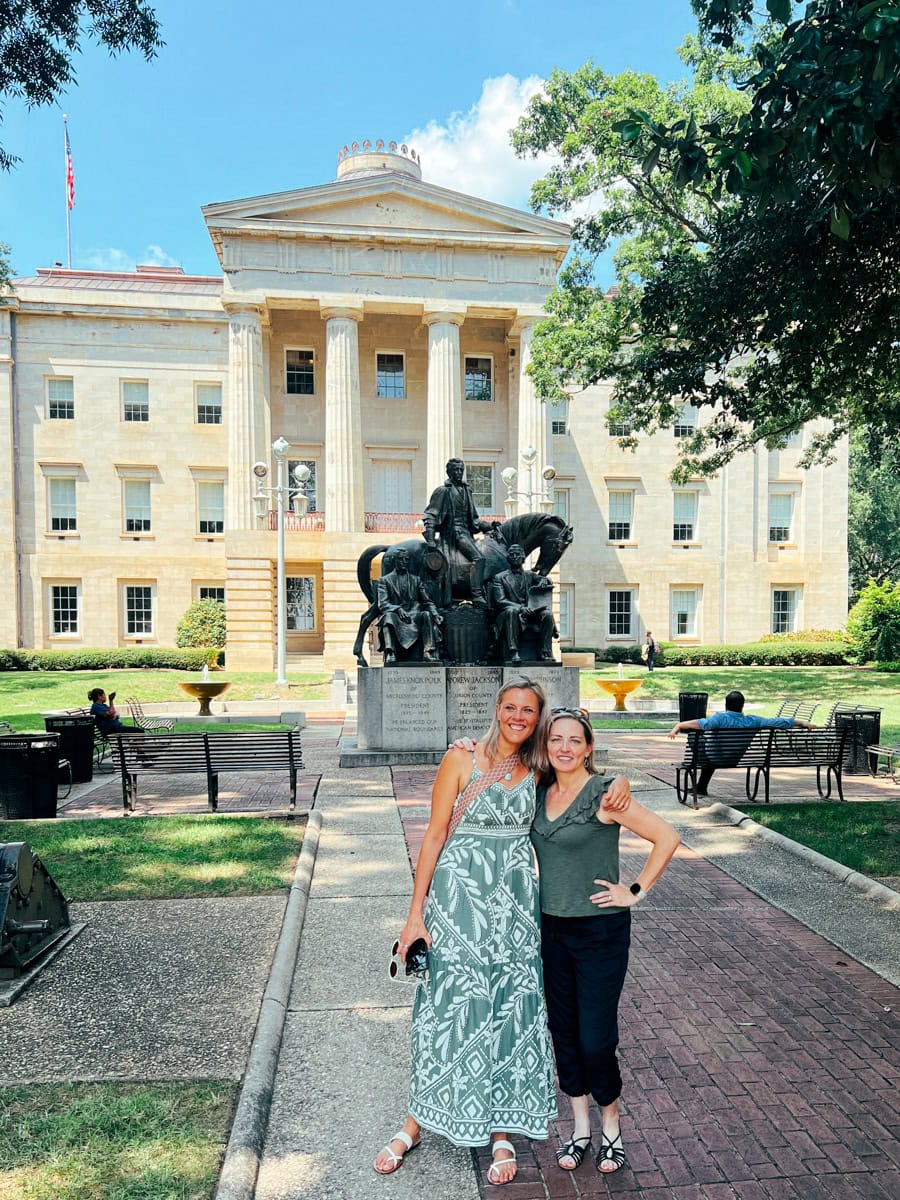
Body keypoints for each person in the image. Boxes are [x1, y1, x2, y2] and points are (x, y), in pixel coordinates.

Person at [374, 678, 631, 1186]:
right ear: (497, 709)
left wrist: (619, 780)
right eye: (510, 707)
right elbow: (434, 834)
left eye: (528, 711)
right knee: (447, 1008)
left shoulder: (536, 767)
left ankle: (501, 1131)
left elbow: (579, 774)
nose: (518, 717)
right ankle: (415, 1122)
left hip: (515, 909)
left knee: (510, 1013)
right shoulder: (461, 760)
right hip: (458, 902)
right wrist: (415, 914)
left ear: (536, 719)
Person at [532, 707, 680, 1175]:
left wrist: (634, 891)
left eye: (574, 740)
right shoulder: (537, 791)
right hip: (551, 930)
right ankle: (579, 1130)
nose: (564, 748)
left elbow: (667, 837)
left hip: (600, 932)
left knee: (596, 1039)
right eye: (556, 739)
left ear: (589, 747)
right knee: (565, 1034)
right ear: (546, 745)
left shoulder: (603, 792)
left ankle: (611, 1128)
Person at [667, 689, 815, 797]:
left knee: (695, 738)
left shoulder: (720, 719)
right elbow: (778, 721)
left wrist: (679, 725)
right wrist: (802, 723)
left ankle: (700, 786)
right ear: (742, 706)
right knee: (710, 750)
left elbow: (701, 724)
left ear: (726, 705)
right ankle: (701, 787)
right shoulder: (753, 720)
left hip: (714, 758)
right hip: (735, 760)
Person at [422, 457, 493, 606]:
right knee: (478, 558)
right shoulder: (443, 491)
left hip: (466, 533)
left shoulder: (467, 490)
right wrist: (430, 538)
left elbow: (474, 519)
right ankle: (477, 595)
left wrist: (488, 526)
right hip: (453, 535)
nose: (459, 472)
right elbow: (431, 514)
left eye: (461, 469)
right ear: (449, 472)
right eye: (456, 469)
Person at [490, 542, 556, 664]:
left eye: (518, 554)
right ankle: (513, 651)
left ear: (523, 558)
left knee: (547, 614)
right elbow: (501, 601)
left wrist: (544, 581)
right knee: (512, 611)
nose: (515, 557)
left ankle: (545, 651)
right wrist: (520, 608)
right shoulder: (499, 578)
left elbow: (544, 579)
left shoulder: (530, 575)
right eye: (512, 554)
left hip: (531, 612)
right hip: (509, 613)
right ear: (508, 558)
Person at [375, 547, 442, 664]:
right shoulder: (384, 580)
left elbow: (427, 601)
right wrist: (397, 609)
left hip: (414, 615)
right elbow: (383, 604)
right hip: (396, 616)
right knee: (387, 617)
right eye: (401, 559)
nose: (404, 562)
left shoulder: (416, 580)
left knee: (426, 614)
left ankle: (428, 651)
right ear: (395, 560)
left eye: (406, 559)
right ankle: (391, 652)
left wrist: (435, 614)